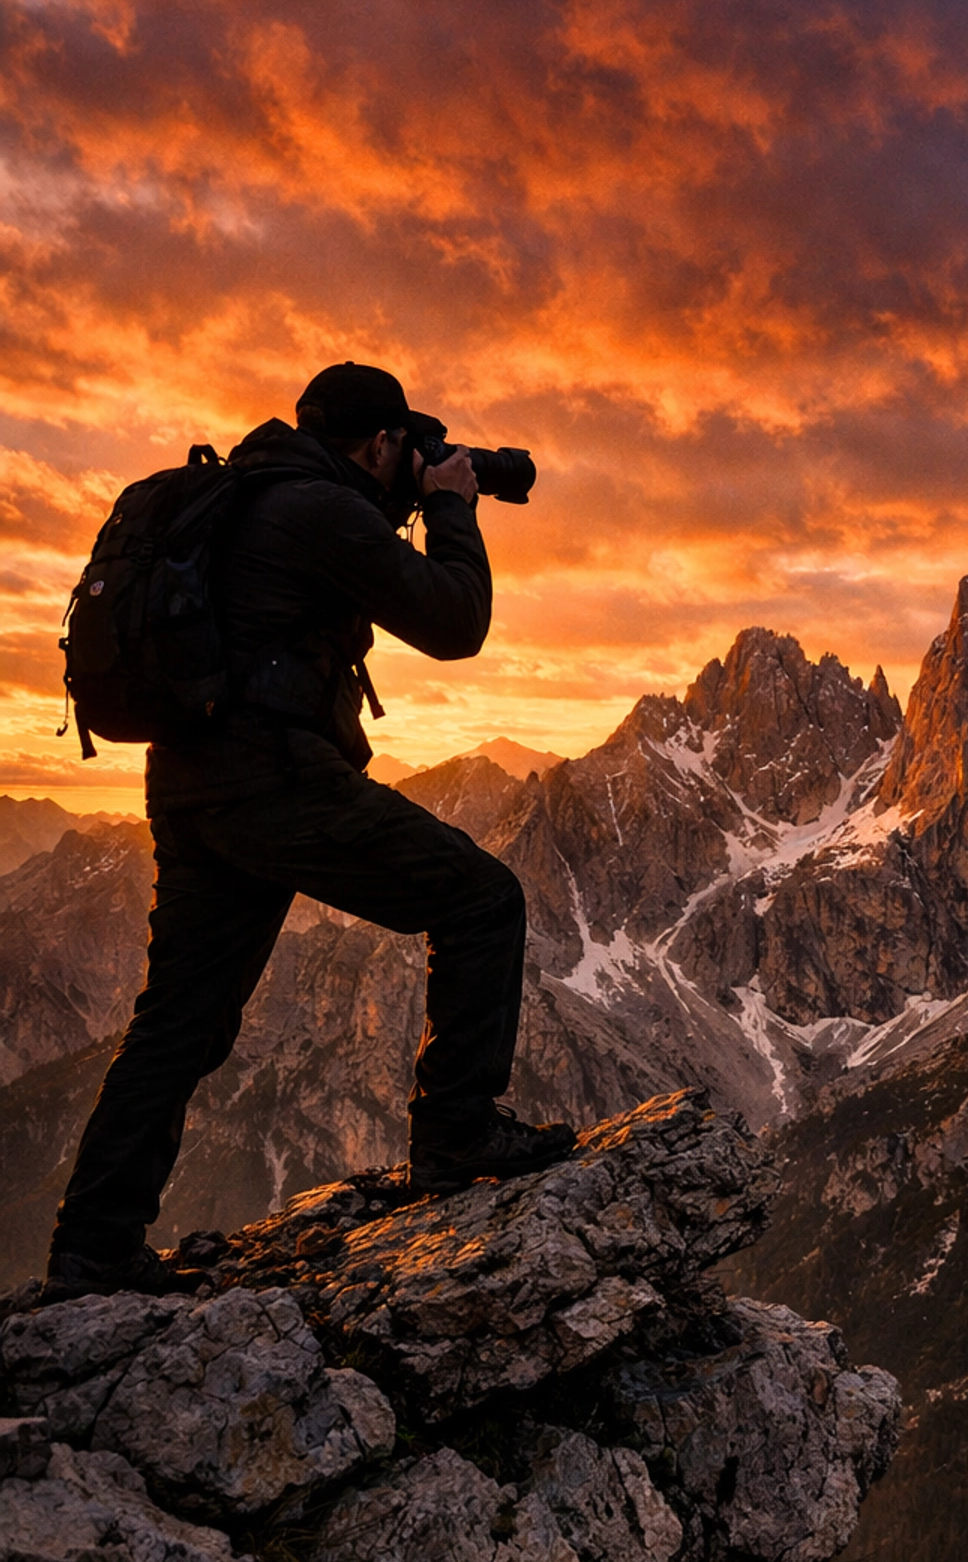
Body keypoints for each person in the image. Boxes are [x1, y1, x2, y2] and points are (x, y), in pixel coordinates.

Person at [43, 361, 574, 1305]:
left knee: (178, 1022)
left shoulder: (254, 494)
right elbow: (456, 625)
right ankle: (455, 1135)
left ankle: (93, 1249)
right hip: (278, 782)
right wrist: (454, 505)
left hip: (191, 784)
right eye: (404, 448)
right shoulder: (321, 514)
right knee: (483, 900)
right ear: (378, 445)